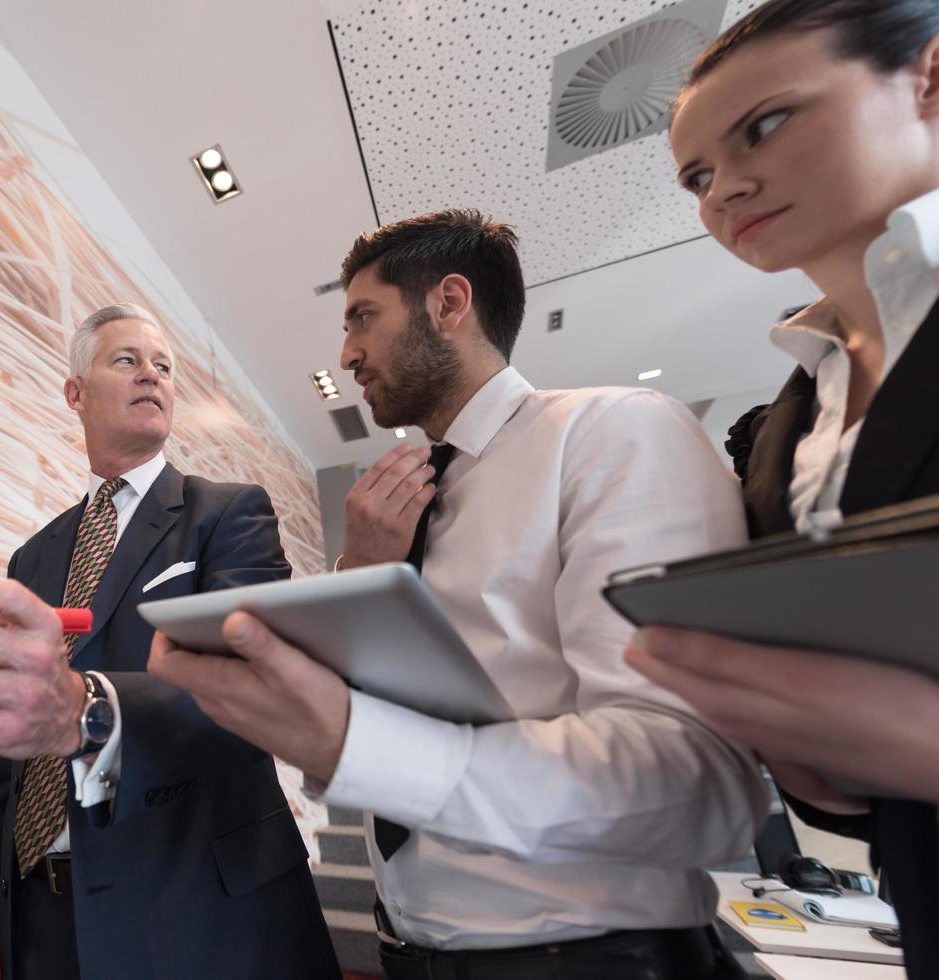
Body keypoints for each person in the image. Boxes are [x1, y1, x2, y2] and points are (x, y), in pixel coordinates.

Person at [149, 211, 765, 979]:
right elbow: (415, 713)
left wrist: (349, 742)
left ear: (447, 303)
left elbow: (692, 786)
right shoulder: (399, 508)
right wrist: (361, 579)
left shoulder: (613, 433)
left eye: (362, 318)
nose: (345, 355)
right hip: (410, 952)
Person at [622, 2, 939, 975]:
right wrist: (816, 769)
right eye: (694, 176)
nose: (724, 189)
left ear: (926, 79)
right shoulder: (784, 425)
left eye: (763, 124)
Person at [0, 304, 338, 980]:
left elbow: (253, 689)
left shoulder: (227, 515)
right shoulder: (33, 557)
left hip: (196, 908)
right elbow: (0, 755)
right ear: (75, 392)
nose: (151, 374)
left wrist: (87, 708)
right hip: (41, 919)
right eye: (127, 360)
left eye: (164, 366)